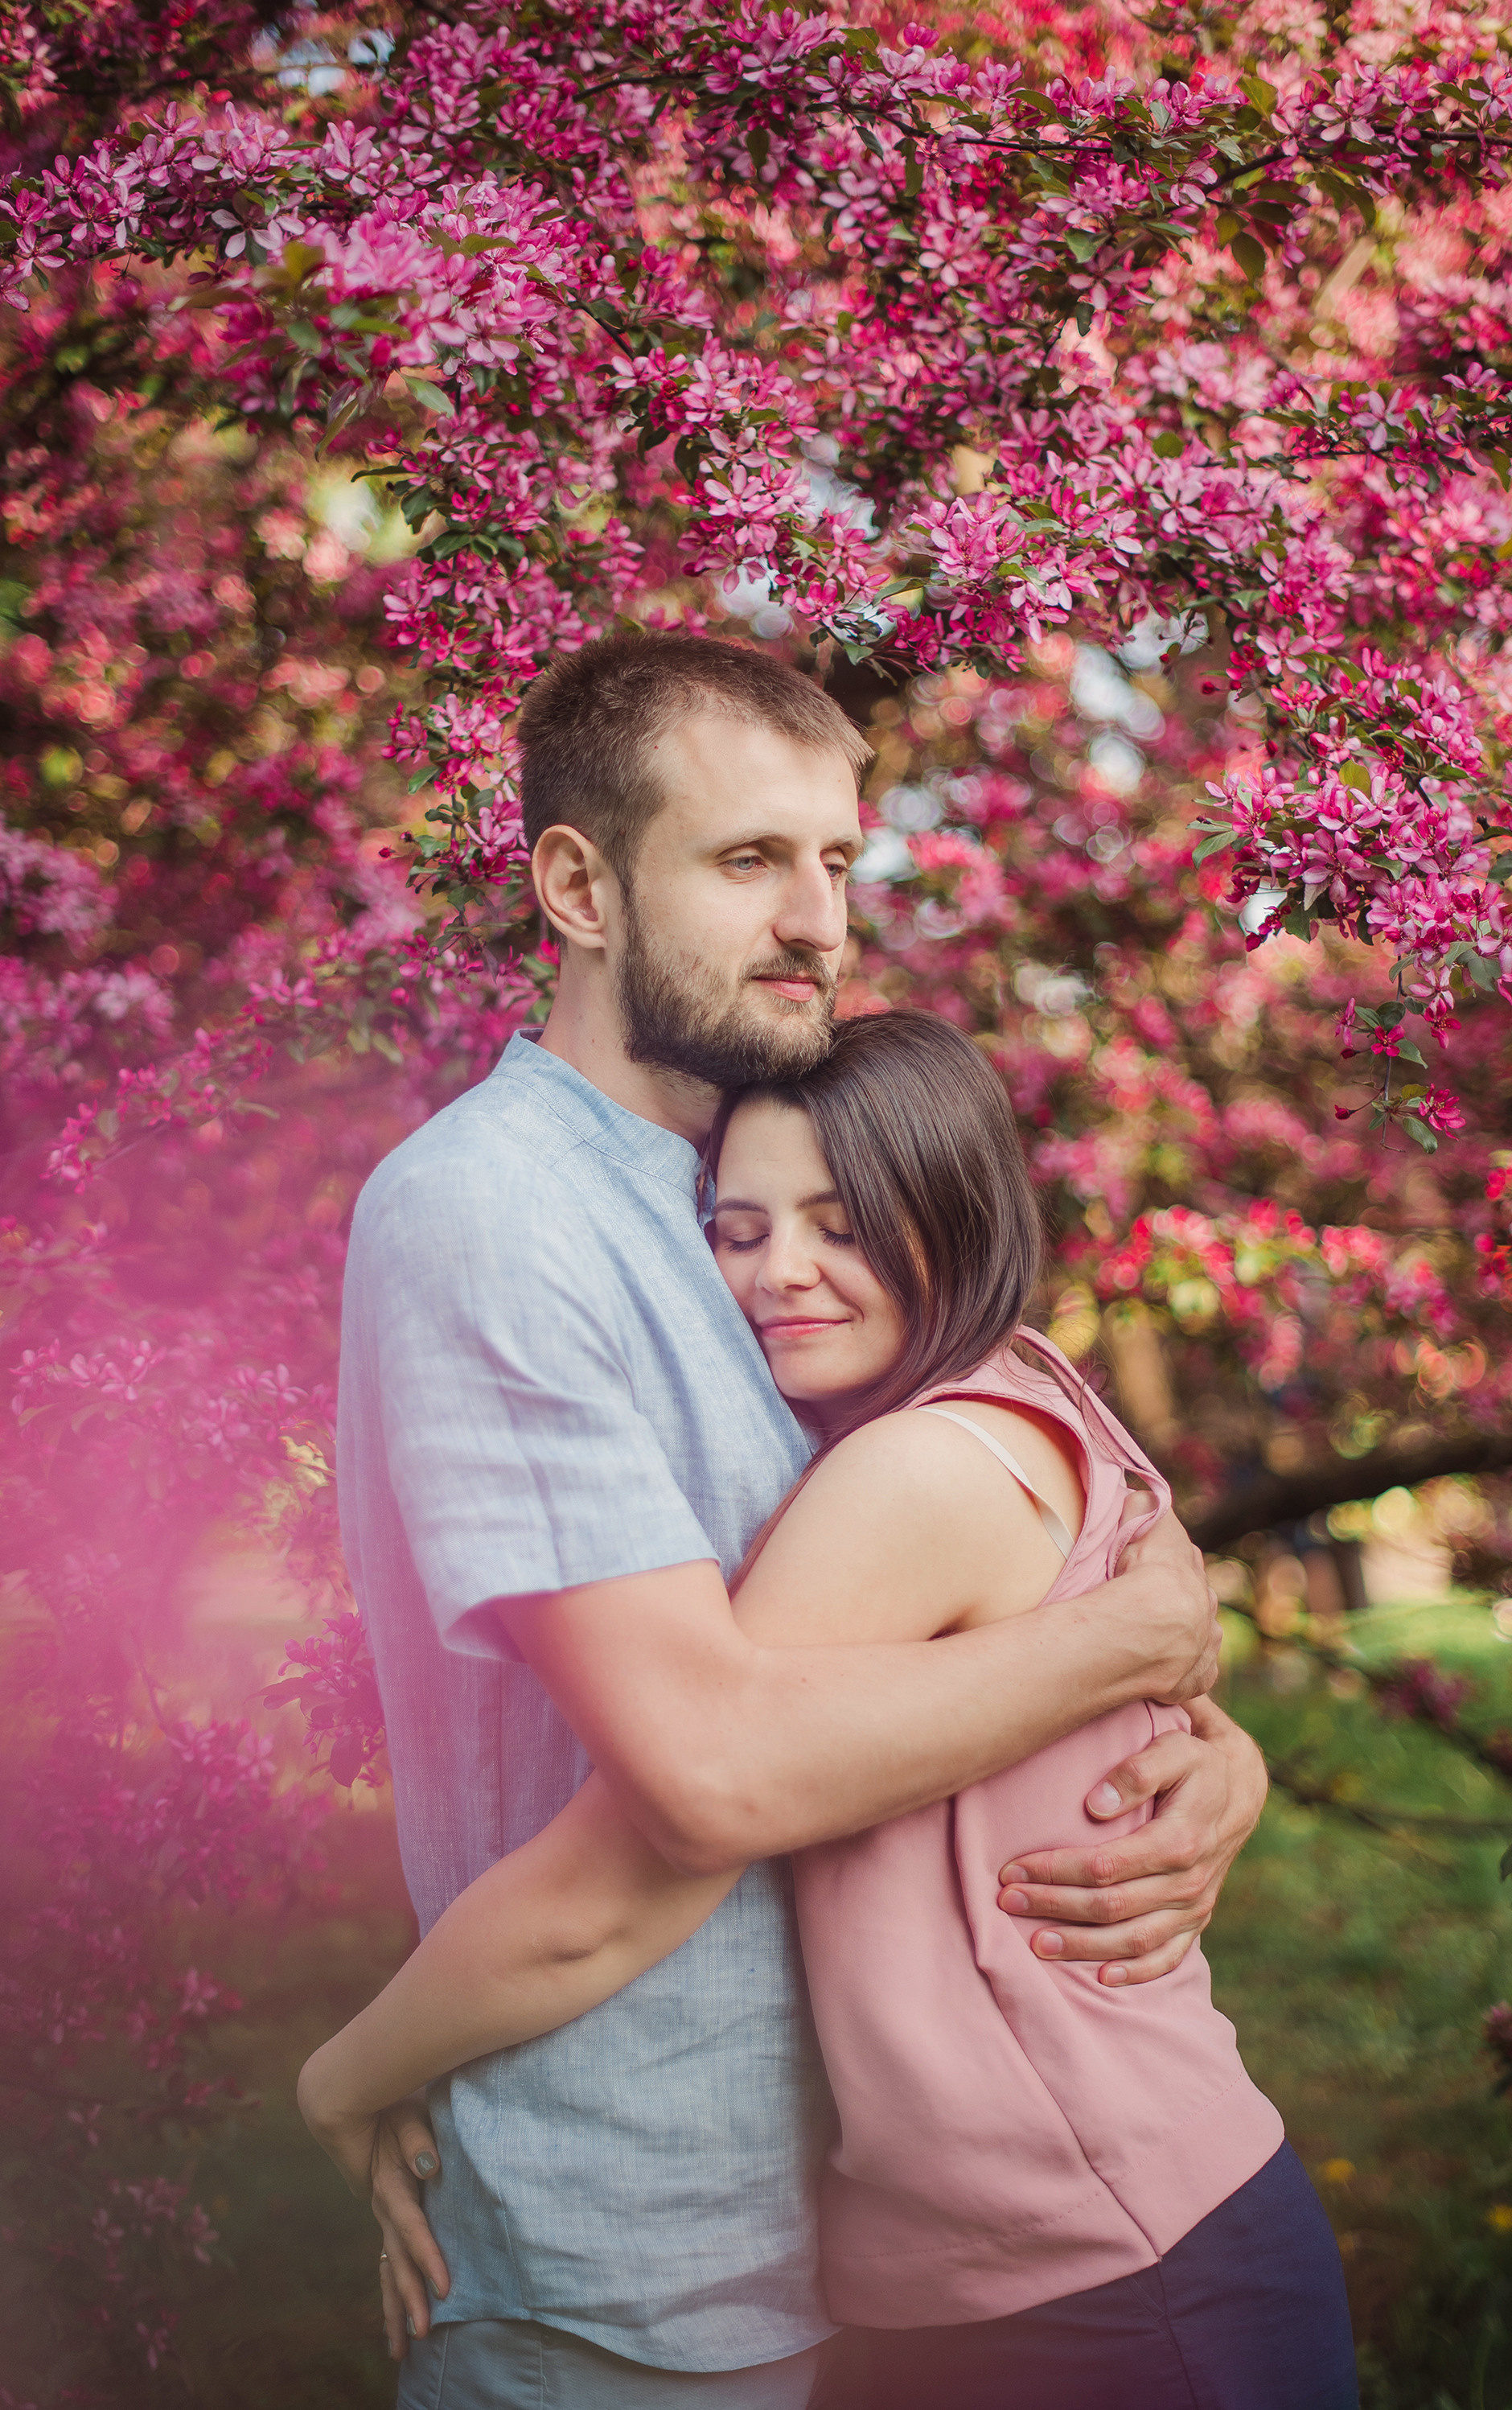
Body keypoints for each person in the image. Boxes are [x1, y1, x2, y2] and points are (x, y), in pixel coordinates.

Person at [330, 631, 1268, 2408]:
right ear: (577, 885)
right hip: (623, 2268)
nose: (817, 919)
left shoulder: (753, 1202)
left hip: (863, 2249)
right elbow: (716, 1774)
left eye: (838, 861)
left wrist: (1195, 1738)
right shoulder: (493, 1214)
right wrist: (1124, 1638)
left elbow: (960, 1582)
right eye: (749, 859)